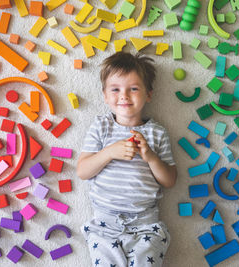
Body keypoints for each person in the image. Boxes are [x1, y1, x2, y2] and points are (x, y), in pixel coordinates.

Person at [76, 52, 177, 267]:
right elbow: (83, 171)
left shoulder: (157, 133)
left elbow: (169, 181)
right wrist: (109, 152)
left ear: (148, 94)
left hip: (145, 224)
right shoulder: (101, 126)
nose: (124, 95)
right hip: (105, 224)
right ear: (104, 95)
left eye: (133, 88)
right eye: (115, 89)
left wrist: (150, 157)